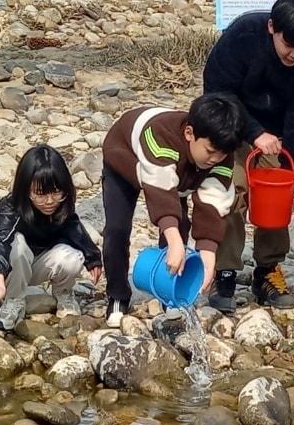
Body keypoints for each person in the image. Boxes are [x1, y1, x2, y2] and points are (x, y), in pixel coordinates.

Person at [201, 0, 294, 311]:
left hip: (277, 136)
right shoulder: (244, 35)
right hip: (231, 124)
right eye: (289, 45)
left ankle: (268, 269)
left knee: (276, 195)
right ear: (272, 27)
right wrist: (254, 133)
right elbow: (217, 91)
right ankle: (225, 270)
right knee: (231, 191)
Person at [100, 93, 245, 328]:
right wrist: (174, 240)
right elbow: (160, 189)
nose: (215, 159)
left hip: (180, 174)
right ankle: (117, 295)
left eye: (222, 155)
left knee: (182, 226)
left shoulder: (221, 155)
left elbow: (213, 201)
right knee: (118, 229)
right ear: (190, 133)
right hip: (126, 158)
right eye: (210, 151)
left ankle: (170, 293)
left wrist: (208, 254)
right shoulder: (160, 134)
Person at [0, 144, 102, 331]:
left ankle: (63, 294)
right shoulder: (10, 208)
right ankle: (14, 300)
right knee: (18, 245)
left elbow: (74, 228)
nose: (49, 201)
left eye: (56, 192)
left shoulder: (61, 207)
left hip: (38, 265)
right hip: (7, 270)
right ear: (25, 189)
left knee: (73, 256)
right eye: (40, 194)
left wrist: (93, 257)